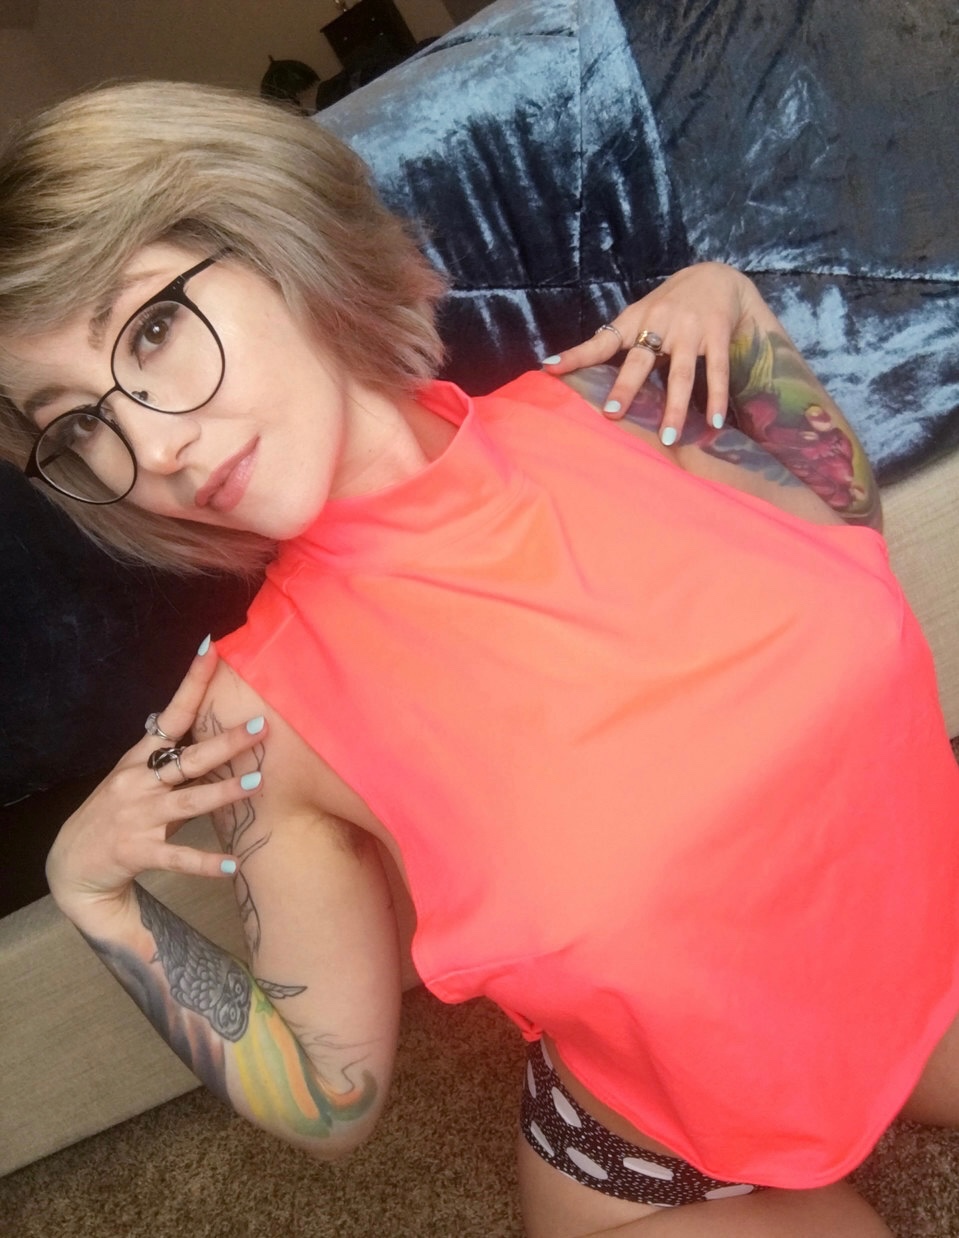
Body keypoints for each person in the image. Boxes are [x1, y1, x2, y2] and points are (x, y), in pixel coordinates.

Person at [1, 81, 957, 1238]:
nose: (150, 447)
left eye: (152, 328)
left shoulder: (618, 397)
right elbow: (330, 1095)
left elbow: (843, 535)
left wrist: (748, 335)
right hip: (664, 1160)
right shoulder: (258, 712)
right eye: (78, 424)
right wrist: (100, 900)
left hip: (922, 975)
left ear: (273, 238)